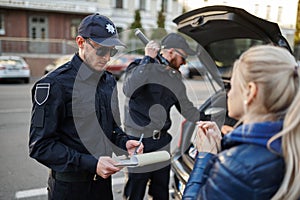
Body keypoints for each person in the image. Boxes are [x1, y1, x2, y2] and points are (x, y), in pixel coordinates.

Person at [29, 13, 143, 200]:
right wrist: (90, 163)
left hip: (103, 187)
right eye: (101, 50)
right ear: (80, 42)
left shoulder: (108, 81)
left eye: (112, 51)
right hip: (70, 190)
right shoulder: (54, 84)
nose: (107, 58)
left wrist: (124, 142)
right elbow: (41, 146)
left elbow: (112, 129)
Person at [182, 45, 300, 200]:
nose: (228, 93)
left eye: (232, 85)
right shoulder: (291, 143)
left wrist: (205, 155)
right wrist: (231, 144)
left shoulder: (236, 167)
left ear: (250, 92)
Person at [122, 33, 201, 200]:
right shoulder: (140, 66)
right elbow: (129, 89)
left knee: (161, 191)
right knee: (135, 191)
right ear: (171, 52)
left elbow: (187, 109)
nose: (184, 62)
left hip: (162, 142)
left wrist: (212, 121)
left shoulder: (174, 77)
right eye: (183, 57)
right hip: (139, 142)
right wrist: (148, 59)